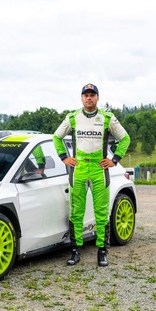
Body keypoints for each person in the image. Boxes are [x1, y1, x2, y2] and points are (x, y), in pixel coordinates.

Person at [53, 83, 130, 267]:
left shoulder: (107, 118)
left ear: (97, 98)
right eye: (86, 95)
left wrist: (115, 159)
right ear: (81, 98)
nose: (89, 98)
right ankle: (75, 251)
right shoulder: (72, 117)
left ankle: (102, 252)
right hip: (79, 168)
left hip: (99, 169)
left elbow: (125, 138)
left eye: (92, 95)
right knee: (76, 211)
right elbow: (56, 136)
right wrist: (64, 157)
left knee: (101, 213)